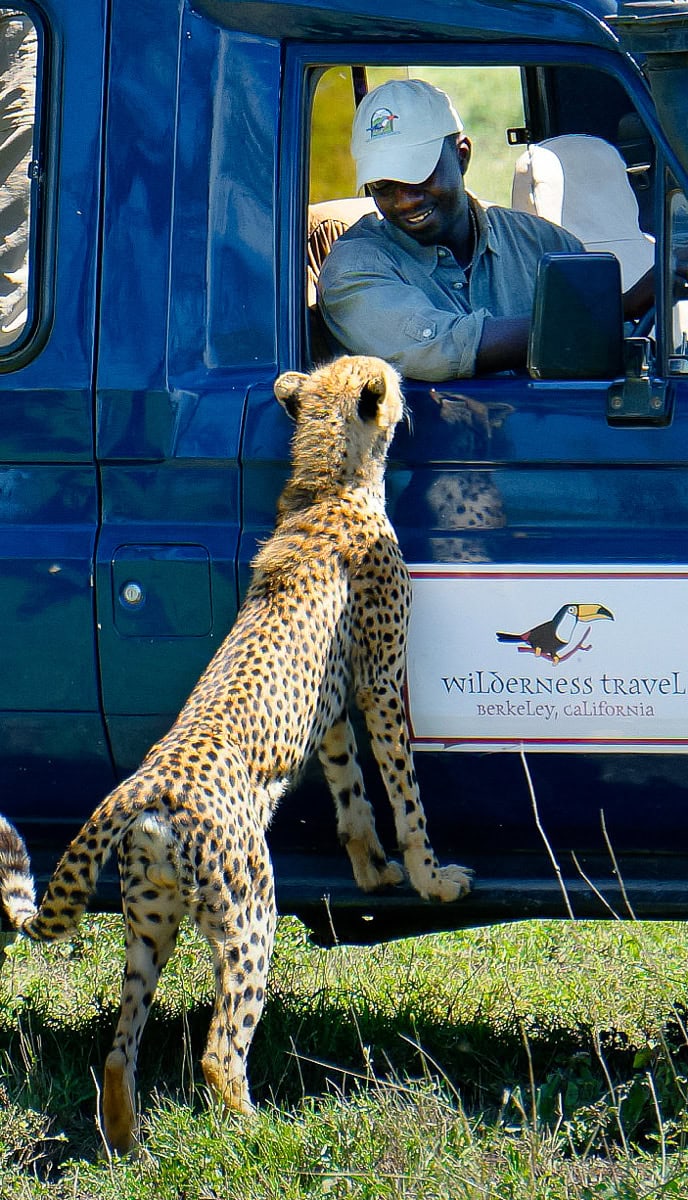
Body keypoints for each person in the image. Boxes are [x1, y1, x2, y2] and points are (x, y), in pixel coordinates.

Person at [317, 79, 653, 381]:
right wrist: (620, 306)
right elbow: (440, 347)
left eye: (418, 175)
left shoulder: (543, 242)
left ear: (462, 156)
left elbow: (615, 359)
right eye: (383, 186)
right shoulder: (353, 269)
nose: (405, 201)